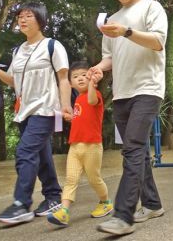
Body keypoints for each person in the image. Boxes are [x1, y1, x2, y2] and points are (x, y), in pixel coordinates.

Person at [90, 0, 167, 236]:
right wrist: (98, 69)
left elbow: (158, 42)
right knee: (140, 153)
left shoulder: (151, 8)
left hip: (148, 88)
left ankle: (123, 216)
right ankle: (153, 204)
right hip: (121, 93)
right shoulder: (111, 20)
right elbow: (109, 57)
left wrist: (127, 32)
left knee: (132, 148)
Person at [0, 2, 72, 225]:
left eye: (28, 16)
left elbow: (63, 78)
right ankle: (53, 197)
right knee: (41, 156)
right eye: (19, 17)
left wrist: (65, 106)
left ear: (40, 20)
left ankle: (21, 204)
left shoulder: (53, 46)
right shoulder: (18, 50)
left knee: (24, 152)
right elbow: (14, 81)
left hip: (46, 109)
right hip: (25, 111)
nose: (22, 20)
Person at [47, 61, 113, 226]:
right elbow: (82, 117)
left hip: (92, 146)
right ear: (70, 83)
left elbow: (91, 102)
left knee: (94, 179)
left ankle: (105, 202)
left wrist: (92, 83)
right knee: (70, 179)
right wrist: (71, 118)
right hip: (75, 146)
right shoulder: (77, 100)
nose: (80, 79)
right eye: (76, 77)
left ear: (90, 77)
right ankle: (64, 211)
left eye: (84, 75)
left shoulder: (95, 94)